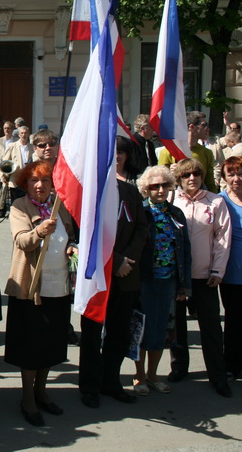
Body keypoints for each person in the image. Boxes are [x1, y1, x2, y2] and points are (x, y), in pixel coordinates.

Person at [4, 161, 77, 427]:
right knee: (31, 346)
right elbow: (22, 240)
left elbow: (69, 236)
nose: (40, 185)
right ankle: (27, 398)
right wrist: (39, 231)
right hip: (31, 287)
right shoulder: (20, 206)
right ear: (26, 183)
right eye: (34, 180)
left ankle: (42, 391)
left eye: (45, 181)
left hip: (59, 286)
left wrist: (72, 248)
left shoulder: (60, 206)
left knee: (51, 343)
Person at [78, 141, 148, 409]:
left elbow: (142, 228)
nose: (116, 157)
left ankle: (111, 381)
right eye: (111, 152)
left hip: (127, 274)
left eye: (120, 152)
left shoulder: (131, 191)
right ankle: (90, 385)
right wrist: (116, 260)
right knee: (92, 333)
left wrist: (127, 260)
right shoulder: (89, 192)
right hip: (98, 275)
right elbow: (86, 232)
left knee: (118, 332)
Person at [168, 159, 232, 396]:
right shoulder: (172, 200)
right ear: (180, 179)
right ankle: (179, 367)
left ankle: (217, 375)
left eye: (196, 173)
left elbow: (222, 239)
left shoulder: (215, 202)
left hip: (205, 276)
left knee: (211, 327)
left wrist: (218, 270)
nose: (191, 178)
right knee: (178, 326)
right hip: (178, 275)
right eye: (186, 175)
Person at [133, 166, 191, 396]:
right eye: (154, 186)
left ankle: (153, 375)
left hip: (168, 280)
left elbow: (185, 249)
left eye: (164, 185)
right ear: (146, 189)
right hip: (145, 280)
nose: (159, 190)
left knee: (161, 330)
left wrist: (184, 285)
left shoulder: (176, 214)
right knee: (141, 328)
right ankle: (139, 376)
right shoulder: (141, 212)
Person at [220, 156, 242, 382]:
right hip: (233, 271)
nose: (237, 179)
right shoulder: (220, 201)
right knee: (235, 319)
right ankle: (232, 364)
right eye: (232, 174)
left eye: (240, 174)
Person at [158, 111, 216, 192]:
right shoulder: (168, 151)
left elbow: (210, 183)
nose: (207, 128)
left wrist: (216, 200)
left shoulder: (207, 153)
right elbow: (160, 180)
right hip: (176, 200)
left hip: (200, 199)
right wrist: (171, 174)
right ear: (192, 127)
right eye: (204, 125)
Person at [2, 126, 32, 202]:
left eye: (25, 133)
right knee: (15, 204)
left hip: (28, 180)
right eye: (22, 133)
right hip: (15, 180)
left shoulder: (32, 147)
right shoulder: (12, 146)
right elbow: (5, 163)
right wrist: (4, 177)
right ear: (19, 134)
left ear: (28, 134)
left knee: (27, 203)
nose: (23, 135)